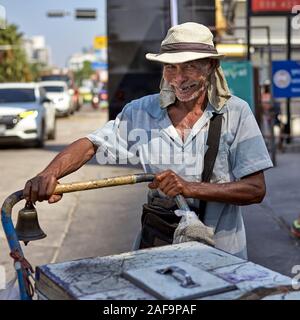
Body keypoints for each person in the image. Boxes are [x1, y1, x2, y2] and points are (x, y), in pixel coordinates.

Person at [23, 22, 273, 259]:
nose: (179, 78)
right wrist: (50, 173)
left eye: (190, 66)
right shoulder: (141, 111)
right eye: (171, 67)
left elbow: (255, 189)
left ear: (210, 66)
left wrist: (189, 187)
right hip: (157, 249)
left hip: (223, 254)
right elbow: (91, 144)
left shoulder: (236, 113)